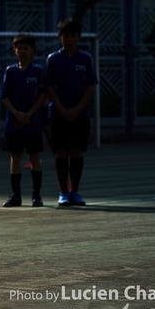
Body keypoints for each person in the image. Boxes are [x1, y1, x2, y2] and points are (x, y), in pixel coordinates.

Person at [44, 18, 98, 206]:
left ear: (78, 37)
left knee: (77, 152)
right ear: (60, 37)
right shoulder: (53, 59)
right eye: (65, 35)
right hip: (58, 114)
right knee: (61, 152)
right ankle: (63, 192)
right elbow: (49, 86)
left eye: (73, 35)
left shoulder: (86, 58)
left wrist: (77, 108)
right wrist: (60, 108)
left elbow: (90, 86)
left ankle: (75, 191)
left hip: (80, 114)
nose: (69, 39)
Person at [0, 34, 46, 207]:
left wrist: (29, 114)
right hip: (14, 123)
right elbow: (4, 96)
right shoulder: (10, 71)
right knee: (15, 158)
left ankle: (36, 196)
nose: (23, 51)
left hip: (32, 123)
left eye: (27, 48)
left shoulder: (39, 70)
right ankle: (15, 195)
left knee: (34, 157)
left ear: (32, 50)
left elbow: (43, 96)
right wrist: (16, 113)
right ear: (15, 50)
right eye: (20, 48)